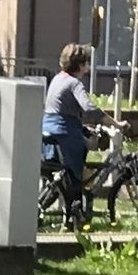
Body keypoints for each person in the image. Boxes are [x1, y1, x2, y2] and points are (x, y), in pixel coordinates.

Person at [43, 43, 98, 189]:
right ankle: (76, 203)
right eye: (86, 63)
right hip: (65, 133)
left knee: (64, 176)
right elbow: (89, 108)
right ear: (80, 65)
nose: (87, 67)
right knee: (75, 176)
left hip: (48, 128)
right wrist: (115, 123)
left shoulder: (57, 78)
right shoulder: (74, 84)